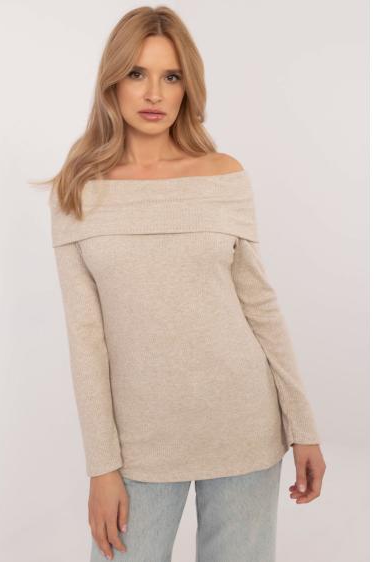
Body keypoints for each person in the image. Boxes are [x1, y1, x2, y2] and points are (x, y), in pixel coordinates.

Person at [44, 6, 327, 561]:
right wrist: (101, 468)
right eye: (137, 73)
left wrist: (303, 426)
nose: (154, 93)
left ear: (187, 87)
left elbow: (261, 309)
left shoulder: (224, 176)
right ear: (112, 82)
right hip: (140, 445)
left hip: (244, 426)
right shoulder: (77, 192)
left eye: (170, 76)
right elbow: (86, 340)